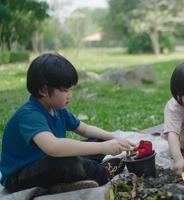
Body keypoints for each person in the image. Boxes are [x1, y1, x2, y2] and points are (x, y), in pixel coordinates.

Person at [0, 53, 134, 193]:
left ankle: (72, 180)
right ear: (43, 90)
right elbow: (53, 147)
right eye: (65, 89)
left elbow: (85, 129)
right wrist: (102, 147)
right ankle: (103, 172)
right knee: (67, 162)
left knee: (98, 139)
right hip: (20, 177)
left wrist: (113, 137)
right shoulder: (29, 115)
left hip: (47, 163)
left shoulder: (57, 109)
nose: (69, 94)